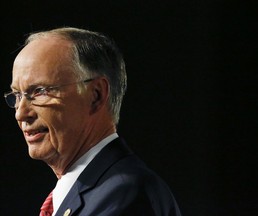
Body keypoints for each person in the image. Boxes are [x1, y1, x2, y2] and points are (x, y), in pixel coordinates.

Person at [4, 27, 182, 216]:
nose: (20, 113)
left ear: (95, 96)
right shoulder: (88, 193)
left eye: (39, 91)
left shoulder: (124, 195)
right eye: (17, 95)